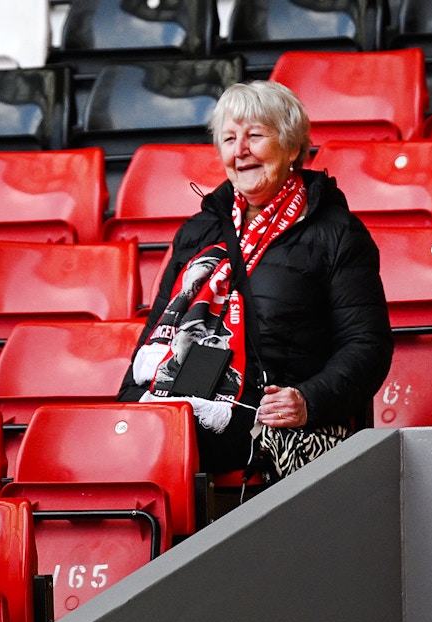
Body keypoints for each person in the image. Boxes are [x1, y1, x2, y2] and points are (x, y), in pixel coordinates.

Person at [118, 81, 393, 512]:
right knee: (111, 440)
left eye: (255, 136)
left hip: (268, 411)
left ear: (291, 145)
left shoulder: (337, 233)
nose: (240, 150)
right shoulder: (199, 230)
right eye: (229, 138)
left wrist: (308, 399)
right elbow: (158, 330)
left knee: (161, 445)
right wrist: (127, 405)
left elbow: (367, 346)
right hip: (184, 398)